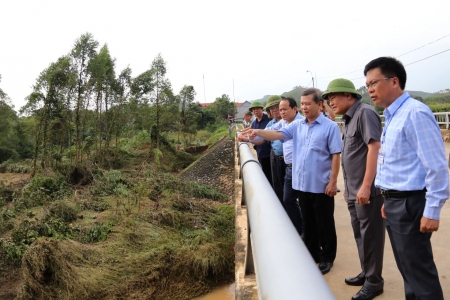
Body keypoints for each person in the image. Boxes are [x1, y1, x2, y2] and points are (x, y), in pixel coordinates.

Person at [364, 56, 449, 300]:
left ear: (394, 81)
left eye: (374, 83)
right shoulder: (392, 116)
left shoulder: (415, 114)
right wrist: (387, 198)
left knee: (419, 273)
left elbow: (436, 166)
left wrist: (432, 210)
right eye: (367, 85)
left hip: (411, 204)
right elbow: (395, 163)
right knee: (407, 269)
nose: (370, 90)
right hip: (395, 203)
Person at [247, 88, 341, 275]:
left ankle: (327, 257)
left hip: (321, 185)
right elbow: (277, 135)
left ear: (320, 105)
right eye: (303, 103)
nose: (305, 107)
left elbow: (336, 155)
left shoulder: (330, 127)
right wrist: (256, 131)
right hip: (302, 184)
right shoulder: (297, 126)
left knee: (324, 222)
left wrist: (332, 182)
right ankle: (312, 254)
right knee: (308, 221)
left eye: (308, 104)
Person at [323, 78, 385, 300]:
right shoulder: (348, 119)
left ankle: (375, 282)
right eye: (328, 99)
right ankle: (367, 273)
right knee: (360, 235)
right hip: (353, 191)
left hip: (366, 191)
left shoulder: (365, 113)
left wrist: (367, 186)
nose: (330, 102)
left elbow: (374, 147)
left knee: (371, 236)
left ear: (349, 96)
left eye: (333, 97)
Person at [239, 100, 272, 184]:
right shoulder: (255, 122)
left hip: (269, 152)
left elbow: (264, 138)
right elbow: (252, 133)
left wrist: (247, 139)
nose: (256, 111)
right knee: (264, 173)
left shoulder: (269, 120)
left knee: (271, 177)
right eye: (253, 109)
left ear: (262, 109)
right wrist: (244, 134)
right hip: (260, 151)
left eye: (257, 108)